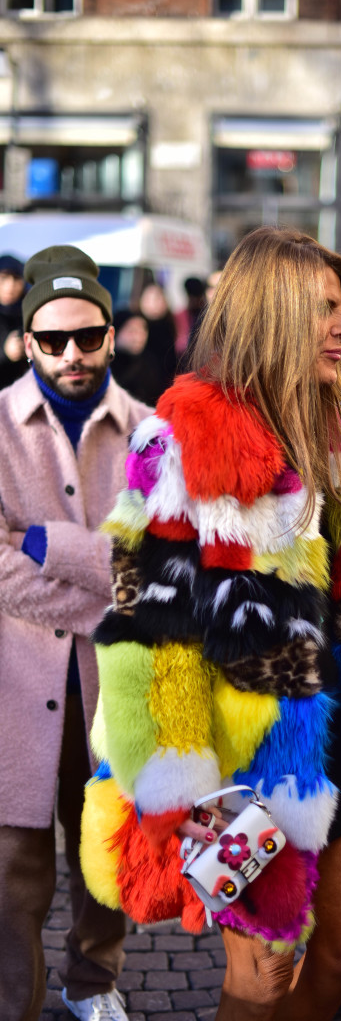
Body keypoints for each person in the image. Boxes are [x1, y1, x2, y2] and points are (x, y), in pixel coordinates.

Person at [80, 226, 341, 1021]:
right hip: (246, 767)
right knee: (259, 979)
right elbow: (146, 634)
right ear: (272, 313)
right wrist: (182, 791)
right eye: (327, 309)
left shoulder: (338, 433)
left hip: (333, 735)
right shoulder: (185, 437)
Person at [0, 245, 152, 1021]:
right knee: (14, 870)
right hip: (17, 691)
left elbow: (161, 562)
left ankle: (93, 982)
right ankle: (16, 1001)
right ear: (26, 342)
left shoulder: (154, 435)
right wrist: (111, 595)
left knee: (106, 852)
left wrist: (47, 543)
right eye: (52, 340)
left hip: (119, 691)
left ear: (112, 332)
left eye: (87, 336)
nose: (72, 354)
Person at [137, 281, 177, 395]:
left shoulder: (170, 326)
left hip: (163, 389)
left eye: (159, 298)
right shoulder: (135, 324)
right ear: (141, 300)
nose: (155, 303)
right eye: (150, 298)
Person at [0, 252, 29, 389]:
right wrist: (4, 353)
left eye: (16, 278)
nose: (10, 286)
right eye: (4, 278)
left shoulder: (32, 311)